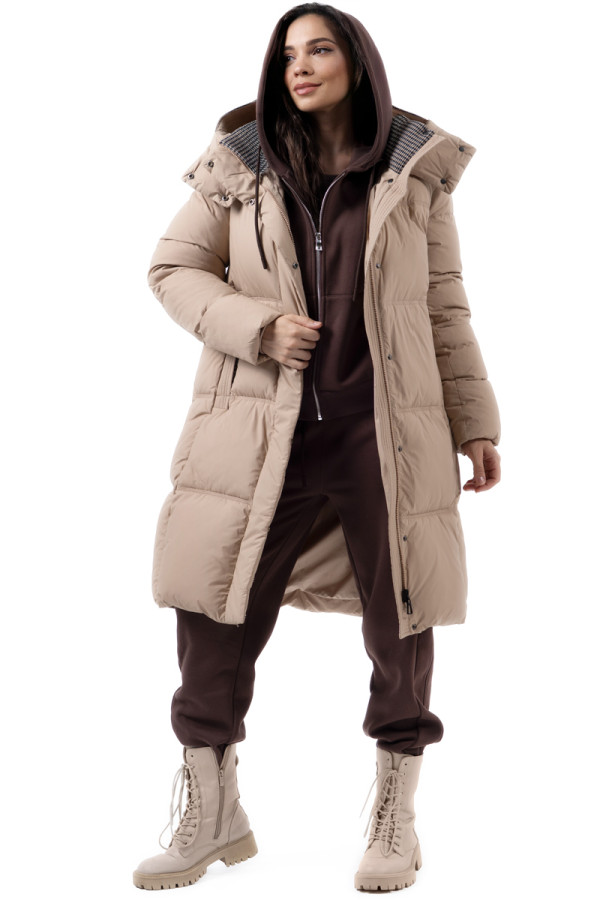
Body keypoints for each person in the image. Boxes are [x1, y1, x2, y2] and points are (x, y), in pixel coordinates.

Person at [133, 2, 502, 892]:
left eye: (319, 49)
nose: (299, 66)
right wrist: (258, 327)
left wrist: (476, 420)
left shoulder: (412, 173)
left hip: (386, 435)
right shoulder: (239, 168)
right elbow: (172, 269)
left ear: (356, 62)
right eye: (288, 54)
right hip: (260, 431)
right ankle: (213, 812)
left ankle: (396, 818)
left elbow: (443, 305)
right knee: (213, 610)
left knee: (402, 617)